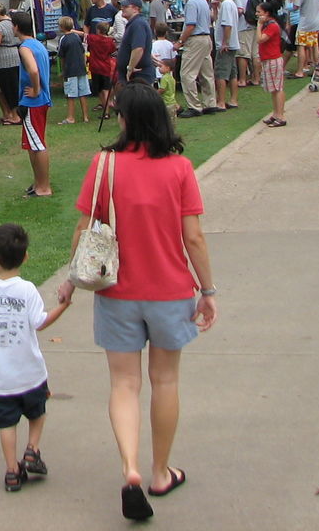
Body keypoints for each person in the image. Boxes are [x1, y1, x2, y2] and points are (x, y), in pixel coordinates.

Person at [56, 83, 218, 522]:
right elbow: (194, 237)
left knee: (124, 385)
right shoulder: (180, 168)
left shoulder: (104, 164)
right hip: (169, 292)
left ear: (128, 119)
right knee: (165, 381)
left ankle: (129, 468)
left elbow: (85, 228)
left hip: (117, 294)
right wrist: (208, 291)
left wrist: (71, 280)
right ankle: (160, 472)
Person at [0, 222, 69, 492]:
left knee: (7, 424)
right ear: (25, 257)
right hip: (31, 374)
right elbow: (41, 322)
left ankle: (12, 471)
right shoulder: (27, 290)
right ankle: (32, 449)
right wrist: (64, 306)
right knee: (37, 410)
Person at [14, 12, 53, 198]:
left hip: (33, 101)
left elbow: (34, 70)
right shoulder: (38, 44)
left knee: (37, 144)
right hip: (40, 101)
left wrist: (36, 89)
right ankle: (38, 183)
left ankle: (44, 187)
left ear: (16, 27)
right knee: (32, 143)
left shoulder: (25, 47)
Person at [174, 0, 214, 118]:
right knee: (206, 72)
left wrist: (180, 41)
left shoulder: (191, 3)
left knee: (187, 74)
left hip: (196, 39)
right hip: (206, 37)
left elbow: (190, 25)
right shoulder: (203, 1)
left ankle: (194, 106)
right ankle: (210, 103)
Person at [115, 0, 157, 87]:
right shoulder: (135, 23)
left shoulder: (138, 24)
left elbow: (138, 49)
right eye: (122, 6)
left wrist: (130, 68)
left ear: (135, 9)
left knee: (139, 101)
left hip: (139, 77)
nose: (122, 8)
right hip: (135, 77)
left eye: (126, 6)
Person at [56, 15, 90, 124]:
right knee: (83, 93)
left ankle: (71, 117)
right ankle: (85, 117)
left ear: (61, 27)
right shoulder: (76, 37)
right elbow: (82, 52)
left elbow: (62, 56)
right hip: (81, 69)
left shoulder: (63, 39)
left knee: (71, 94)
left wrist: (63, 70)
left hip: (70, 70)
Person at [257, 1, 287, 126]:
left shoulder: (272, 26)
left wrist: (259, 26)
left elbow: (260, 39)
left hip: (273, 59)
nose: (257, 14)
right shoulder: (269, 24)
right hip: (268, 59)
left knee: (277, 88)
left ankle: (280, 116)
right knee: (273, 89)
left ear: (267, 13)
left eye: (259, 12)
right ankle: (276, 113)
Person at [213, 0, 240, 109]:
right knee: (232, 73)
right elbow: (220, 21)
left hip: (226, 45)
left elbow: (227, 25)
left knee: (221, 73)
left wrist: (225, 42)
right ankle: (233, 99)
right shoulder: (230, 4)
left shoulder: (226, 4)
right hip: (233, 43)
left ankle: (221, 101)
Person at [86, 21, 117, 120]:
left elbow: (85, 35)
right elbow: (112, 50)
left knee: (99, 90)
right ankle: (107, 110)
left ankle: (105, 109)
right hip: (106, 67)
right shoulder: (109, 41)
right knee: (106, 89)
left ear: (98, 30)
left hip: (95, 67)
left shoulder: (93, 38)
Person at [151, 22, 178, 117]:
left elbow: (152, 58)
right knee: (170, 91)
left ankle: (163, 108)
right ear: (166, 32)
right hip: (169, 71)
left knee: (162, 90)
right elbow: (174, 58)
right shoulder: (170, 44)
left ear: (155, 31)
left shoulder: (153, 45)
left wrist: (158, 65)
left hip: (159, 73)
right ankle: (173, 105)